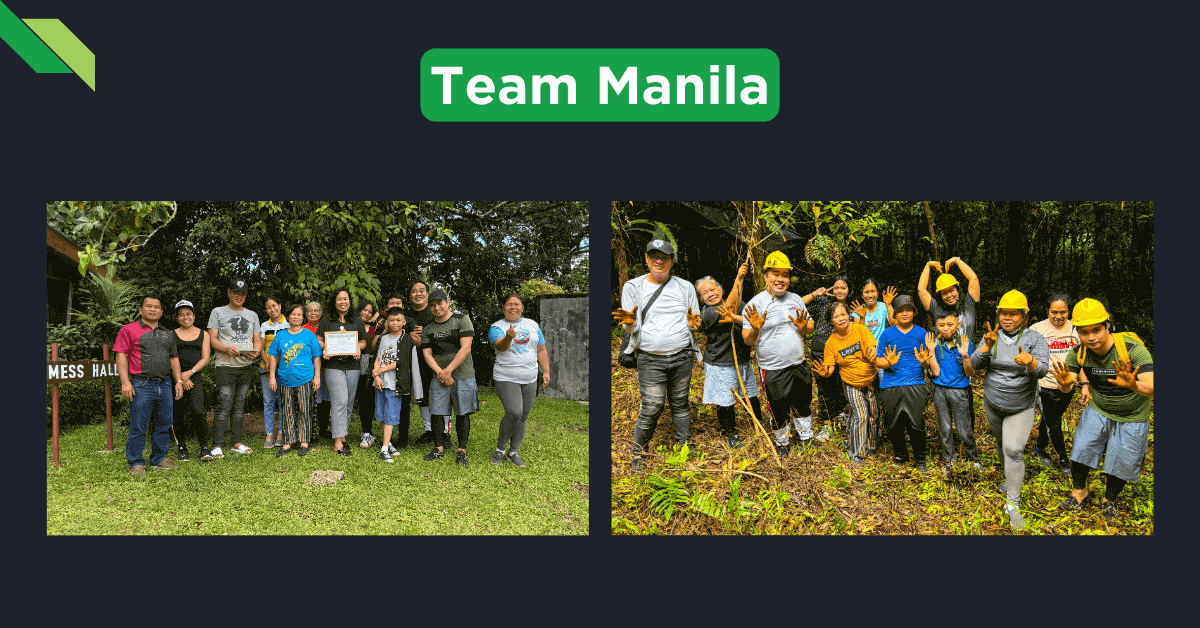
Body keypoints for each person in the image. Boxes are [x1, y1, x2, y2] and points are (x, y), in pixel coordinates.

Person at [1053, 298, 1153, 523]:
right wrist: (1063, 383)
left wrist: (1133, 384)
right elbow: (1067, 383)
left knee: (1124, 460)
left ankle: (1109, 500)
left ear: (1107, 327)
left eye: (1096, 330)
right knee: (1081, 448)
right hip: (1099, 408)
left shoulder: (1131, 349)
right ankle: (1079, 492)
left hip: (1133, 415)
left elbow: (1151, 385)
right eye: (1084, 332)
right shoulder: (1080, 353)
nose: (1091, 337)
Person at [613, 239, 701, 471]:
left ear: (672, 260)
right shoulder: (634, 287)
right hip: (650, 358)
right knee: (652, 406)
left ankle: (685, 445)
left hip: (682, 355)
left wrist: (694, 325)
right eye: (653, 256)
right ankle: (638, 455)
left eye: (664, 256)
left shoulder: (685, 287)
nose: (658, 260)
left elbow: (695, 321)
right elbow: (630, 326)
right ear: (645, 259)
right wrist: (630, 323)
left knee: (681, 402)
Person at [969, 290, 1049, 531]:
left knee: (1013, 450)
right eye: (1003, 313)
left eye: (1013, 314)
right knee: (1001, 442)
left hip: (1021, 405)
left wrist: (1030, 362)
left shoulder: (1035, 338)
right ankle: (1009, 480)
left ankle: (1013, 504)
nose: (1007, 318)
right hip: (993, 401)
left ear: (1024, 317)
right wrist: (986, 348)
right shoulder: (991, 336)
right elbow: (972, 367)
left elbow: (1043, 370)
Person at [741, 251, 814, 457]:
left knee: (803, 401)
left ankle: (805, 437)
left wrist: (805, 327)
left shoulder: (796, 299)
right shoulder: (756, 303)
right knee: (777, 406)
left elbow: (809, 325)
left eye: (785, 274)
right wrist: (755, 329)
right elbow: (747, 339)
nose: (780, 279)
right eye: (775, 274)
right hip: (773, 368)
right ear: (766, 276)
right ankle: (782, 442)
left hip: (798, 363)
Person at [114, 295, 183, 475]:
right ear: (141, 310)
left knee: (164, 424)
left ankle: (159, 458)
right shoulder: (128, 330)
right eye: (149, 306)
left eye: (157, 307)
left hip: (165, 385)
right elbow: (121, 356)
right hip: (141, 384)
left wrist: (179, 381)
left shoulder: (168, 333)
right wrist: (125, 382)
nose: (153, 309)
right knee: (138, 425)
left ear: (161, 311)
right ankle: (136, 463)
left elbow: (173, 358)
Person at [694, 269, 762, 449]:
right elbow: (729, 309)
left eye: (712, 289)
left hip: (742, 360)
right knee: (726, 401)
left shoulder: (740, 305)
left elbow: (748, 321)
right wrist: (739, 278)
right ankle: (731, 433)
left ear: (721, 290)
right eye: (704, 293)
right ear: (702, 299)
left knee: (751, 396)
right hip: (720, 363)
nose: (709, 294)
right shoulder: (708, 313)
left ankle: (759, 425)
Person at [810, 302, 878, 464]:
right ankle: (856, 452)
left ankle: (871, 445)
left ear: (848, 315)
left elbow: (872, 347)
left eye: (843, 314)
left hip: (871, 380)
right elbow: (830, 368)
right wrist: (825, 372)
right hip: (851, 383)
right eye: (836, 316)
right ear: (830, 322)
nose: (841, 318)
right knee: (860, 415)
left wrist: (872, 353)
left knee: (874, 415)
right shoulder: (831, 343)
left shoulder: (860, 329)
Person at [489, 294, 550, 467]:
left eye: (516, 304)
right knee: (514, 412)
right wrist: (509, 336)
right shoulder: (497, 327)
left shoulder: (532, 325)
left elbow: (541, 349)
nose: (513, 307)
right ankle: (500, 449)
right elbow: (501, 346)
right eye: (509, 304)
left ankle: (513, 452)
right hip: (506, 376)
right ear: (503, 308)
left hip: (530, 377)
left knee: (523, 416)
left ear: (522, 307)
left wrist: (545, 370)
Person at [875, 295, 934, 472]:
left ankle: (920, 459)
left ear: (914, 312)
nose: (904, 313)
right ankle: (900, 454)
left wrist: (924, 361)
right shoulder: (886, 334)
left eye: (908, 310)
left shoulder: (922, 333)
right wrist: (889, 363)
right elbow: (878, 361)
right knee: (893, 425)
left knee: (916, 424)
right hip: (890, 385)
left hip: (915, 383)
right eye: (899, 310)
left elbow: (927, 363)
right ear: (894, 313)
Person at [421, 289, 479, 466]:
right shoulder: (428, 328)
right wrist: (441, 373)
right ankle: (438, 448)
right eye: (432, 305)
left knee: (463, 412)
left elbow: (466, 348)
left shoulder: (462, 320)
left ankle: (461, 450)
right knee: (437, 411)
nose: (436, 307)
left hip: (463, 375)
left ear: (447, 302)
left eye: (439, 303)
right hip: (439, 376)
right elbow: (427, 354)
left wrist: (448, 371)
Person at [207, 278, 262, 458]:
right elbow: (212, 339)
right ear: (229, 293)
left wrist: (256, 353)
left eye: (242, 293)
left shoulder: (252, 315)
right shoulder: (217, 312)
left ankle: (236, 442)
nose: (239, 296)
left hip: (246, 366)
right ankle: (217, 445)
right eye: (236, 292)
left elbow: (257, 340)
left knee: (239, 406)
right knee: (224, 405)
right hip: (225, 365)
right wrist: (226, 349)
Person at [1028, 294, 1081, 476]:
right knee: (1054, 422)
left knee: (1049, 419)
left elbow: (1082, 358)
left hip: (1068, 386)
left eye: (1063, 312)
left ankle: (1039, 448)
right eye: (1054, 312)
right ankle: (1064, 459)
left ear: (1069, 311)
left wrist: (1086, 383)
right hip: (1045, 385)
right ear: (1047, 311)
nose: (1058, 316)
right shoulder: (1037, 329)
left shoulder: (1076, 329)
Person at [801, 276, 854, 440]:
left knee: (841, 383)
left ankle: (839, 414)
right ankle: (826, 423)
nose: (839, 290)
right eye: (836, 287)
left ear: (848, 290)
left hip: (844, 348)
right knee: (825, 384)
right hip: (822, 346)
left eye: (843, 287)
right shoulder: (823, 303)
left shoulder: (852, 307)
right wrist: (815, 294)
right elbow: (797, 304)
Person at [316, 288, 367, 456]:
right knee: (340, 400)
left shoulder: (357, 321)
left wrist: (358, 348)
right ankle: (338, 443)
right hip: (333, 366)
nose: (342, 301)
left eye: (345, 299)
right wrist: (325, 348)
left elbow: (363, 342)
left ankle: (342, 436)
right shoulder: (326, 320)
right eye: (339, 299)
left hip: (353, 366)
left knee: (349, 402)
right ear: (335, 301)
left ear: (349, 302)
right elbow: (319, 339)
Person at [924, 312, 978, 470]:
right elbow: (935, 373)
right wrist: (931, 352)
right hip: (939, 389)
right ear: (937, 326)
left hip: (959, 390)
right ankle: (949, 461)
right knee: (945, 427)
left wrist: (965, 355)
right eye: (941, 325)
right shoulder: (934, 343)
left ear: (958, 325)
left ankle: (973, 459)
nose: (946, 329)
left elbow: (969, 373)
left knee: (964, 427)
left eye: (950, 325)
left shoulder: (965, 343)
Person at [267, 303, 322, 458]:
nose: (296, 317)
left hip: (305, 378)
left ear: (302, 317)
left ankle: (304, 442)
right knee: (288, 411)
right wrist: (272, 377)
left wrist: (317, 377)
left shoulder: (309, 335)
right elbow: (273, 357)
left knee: (305, 410)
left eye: (299, 314)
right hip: (285, 380)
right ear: (288, 316)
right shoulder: (281, 335)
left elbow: (317, 357)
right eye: (293, 314)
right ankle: (288, 442)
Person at [371, 307, 415, 463]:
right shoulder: (383, 338)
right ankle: (388, 443)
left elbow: (400, 362)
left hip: (394, 384)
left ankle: (383, 450)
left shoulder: (406, 339)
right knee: (382, 415)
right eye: (391, 320)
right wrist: (376, 376)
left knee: (391, 416)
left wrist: (380, 370)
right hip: (381, 383)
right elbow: (377, 357)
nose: (395, 323)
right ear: (386, 322)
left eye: (398, 320)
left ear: (403, 322)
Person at [171, 300, 212, 462]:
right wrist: (180, 378)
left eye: (188, 314)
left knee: (198, 412)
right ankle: (181, 447)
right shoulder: (171, 335)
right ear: (177, 318)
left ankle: (204, 447)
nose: (185, 317)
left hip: (195, 378)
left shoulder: (204, 334)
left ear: (194, 316)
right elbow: (170, 358)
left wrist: (190, 373)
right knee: (178, 413)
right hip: (176, 379)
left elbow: (206, 358)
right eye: (181, 315)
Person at [917, 257, 981, 341]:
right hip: (942, 353)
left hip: (966, 353)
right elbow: (921, 290)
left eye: (951, 290)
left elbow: (974, 279)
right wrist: (928, 265)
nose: (949, 295)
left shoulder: (968, 306)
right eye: (944, 293)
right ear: (940, 296)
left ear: (957, 291)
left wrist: (957, 260)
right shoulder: (937, 309)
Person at [407, 282, 437, 445]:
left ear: (427, 294)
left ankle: (444, 432)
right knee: (422, 395)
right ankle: (428, 430)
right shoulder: (406, 315)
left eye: (421, 291)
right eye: (414, 291)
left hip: (435, 359)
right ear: (410, 296)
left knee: (440, 395)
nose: (418, 294)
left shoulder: (435, 311)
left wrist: (424, 335)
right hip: (414, 361)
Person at [259, 296, 288, 448]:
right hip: (266, 367)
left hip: (284, 369)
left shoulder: (288, 324)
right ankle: (269, 434)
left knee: (283, 401)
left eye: (274, 306)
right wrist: (267, 362)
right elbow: (261, 347)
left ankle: (282, 433)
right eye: (269, 307)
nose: (272, 309)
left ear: (280, 306)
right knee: (269, 401)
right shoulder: (264, 325)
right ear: (266, 311)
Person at [304, 300, 332, 442]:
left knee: (325, 399)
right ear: (306, 313)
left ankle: (323, 428)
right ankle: (310, 430)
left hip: (325, 366)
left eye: (316, 310)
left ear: (321, 313)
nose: (313, 313)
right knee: (311, 399)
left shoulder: (326, 327)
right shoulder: (302, 329)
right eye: (310, 311)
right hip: (308, 369)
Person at [355, 299, 379, 449]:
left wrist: (377, 317)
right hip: (351, 364)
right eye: (365, 310)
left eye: (370, 311)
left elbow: (385, 313)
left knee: (367, 399)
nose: (367, 313)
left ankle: (367, 431)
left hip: (369, 365)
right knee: (355, 398)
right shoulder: (352, 325)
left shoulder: (375, 328)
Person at [850, 279, 896, 344]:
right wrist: (862, 318)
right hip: (866, 349)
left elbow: (894, 325)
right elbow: (859, 335)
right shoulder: (858, 311)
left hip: (882, 348)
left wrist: (888, 305)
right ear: (862, 295)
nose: (870, 295)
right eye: (866, 292)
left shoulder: (884, 307)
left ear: (877, 293)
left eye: (873, 291)